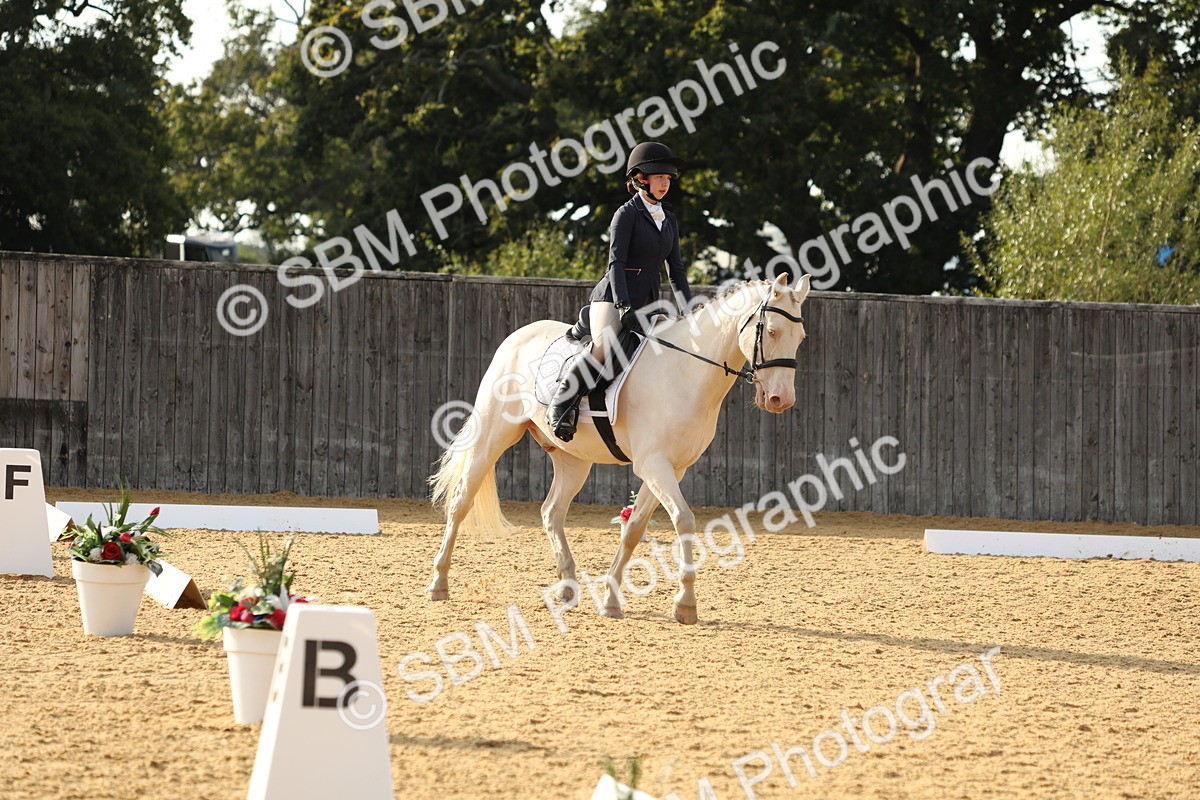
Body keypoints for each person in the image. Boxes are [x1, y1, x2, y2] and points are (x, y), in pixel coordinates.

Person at [546, 141, 696, 442]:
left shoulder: (670, 219)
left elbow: (675, 270)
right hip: (613, 298)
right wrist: (624, 305)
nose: (665, 184)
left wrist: (690, 310)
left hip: (650, 304)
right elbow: (617, 262)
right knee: (605, 348)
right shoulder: (625, 215)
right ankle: (562, 403)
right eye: (660, 178)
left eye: (668, 179)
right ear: (641, 179)